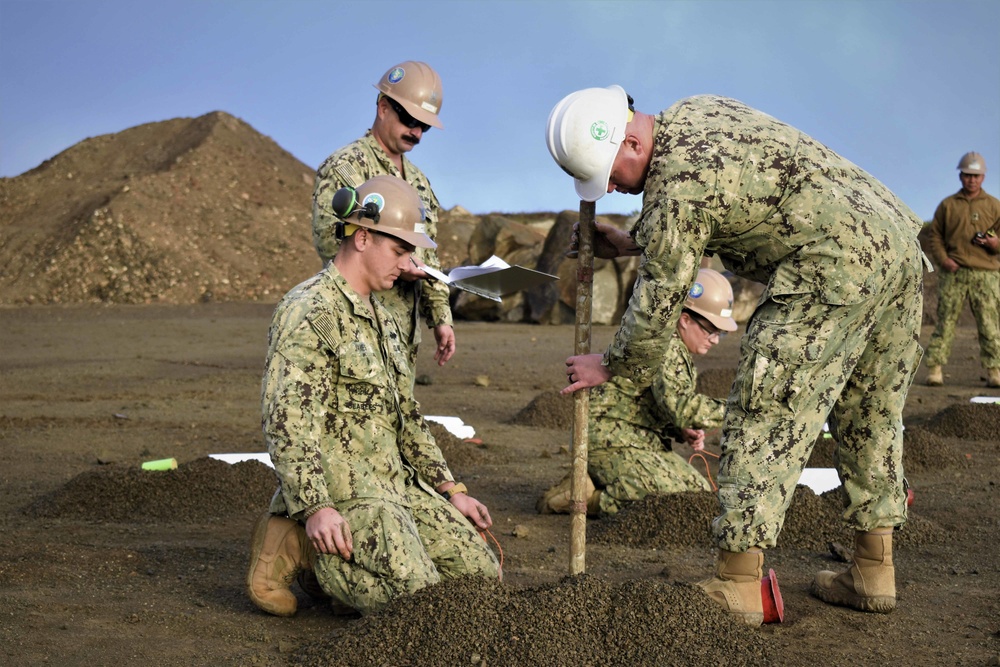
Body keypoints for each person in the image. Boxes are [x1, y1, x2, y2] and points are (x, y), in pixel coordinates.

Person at [546, 87, 927, 626]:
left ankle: (740, 583)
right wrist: (636, 241)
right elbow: (738, 200)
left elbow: (658, 304)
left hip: (831, 265)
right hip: (897, 247)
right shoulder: (698, 112)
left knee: (765, 411)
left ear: (631, 139)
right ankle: (874, 567)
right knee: (870, 412)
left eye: (608, 174)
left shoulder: (674, 188)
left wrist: (610, 366)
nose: (609, 189)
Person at [246, 175, 500, 617]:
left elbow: (407, 414)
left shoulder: (382, 316)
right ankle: (301, 545)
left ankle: (344, 567)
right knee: (420, 601)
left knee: (481, 577)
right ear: (362, 237)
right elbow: (288, 420)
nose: (407, 264)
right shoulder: (310, 310)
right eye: (400, 251)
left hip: (394, 481)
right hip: (343, 488)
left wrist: (449, 487)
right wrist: (314, 507)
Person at [537, 268, 737, 516]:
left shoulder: (666, 341)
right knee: (669, 496)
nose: (715, 340)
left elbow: (653, 400)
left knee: (697, 492)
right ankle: (585, 497)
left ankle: (603, 480)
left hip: (639, 439)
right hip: (611, 440)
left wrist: (679, 429)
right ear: (685, 320)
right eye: (711, 330)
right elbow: (682, 408)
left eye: (721, 332)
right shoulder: (668, 347)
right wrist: (738, 411)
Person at [312, 61, 456, 373]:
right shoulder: (346, 168)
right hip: (358, 327)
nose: (416, 132)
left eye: (424, 126)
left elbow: (428, 251)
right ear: (383, 107)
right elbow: (329, 239)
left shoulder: (419, 182)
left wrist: (441, 317)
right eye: (409, 119)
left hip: (403, 335)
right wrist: (398, 264)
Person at [921, 152, 1000, 388]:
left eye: (975, 176)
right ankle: (935, 369)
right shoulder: (947, 206)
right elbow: (934, 236)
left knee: (989, 324)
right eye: (967, 175)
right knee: (944, 323)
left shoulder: (994, 206)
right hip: (953, 273)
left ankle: (995, 371)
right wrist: (943, 259)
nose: (971, 180)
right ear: (961, 176)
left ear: (983, 177)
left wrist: (995, 244)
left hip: (985, 274)